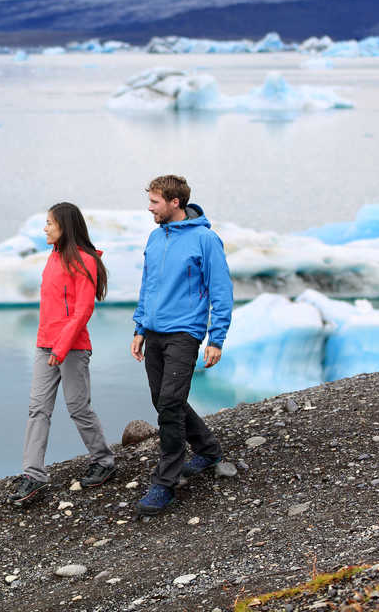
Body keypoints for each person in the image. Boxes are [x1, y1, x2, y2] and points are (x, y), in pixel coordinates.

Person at [130, 175, 233, 516]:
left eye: (155, 202)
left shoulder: (205, 240)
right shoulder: (156, 238)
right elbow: (148, 285)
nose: (149, 208)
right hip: (155, 332)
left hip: (185, 333)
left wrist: (216, 338)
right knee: (163, 399)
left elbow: (221, 291)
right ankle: (208, 449)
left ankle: (165, 483)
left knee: (170, 406)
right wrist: (140, 326)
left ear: (175, 202)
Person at [9, 202, 117, 506]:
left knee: (77, 407)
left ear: (65, 227)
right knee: (37, 409)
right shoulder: (53, 257)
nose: (45, 228)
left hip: (72, 348)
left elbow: (83, 310)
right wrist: (49, 345)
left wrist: (61, 346)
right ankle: (33, 475)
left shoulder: (86, 262)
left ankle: (104, 461)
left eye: (49, 223)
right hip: (45, 345)